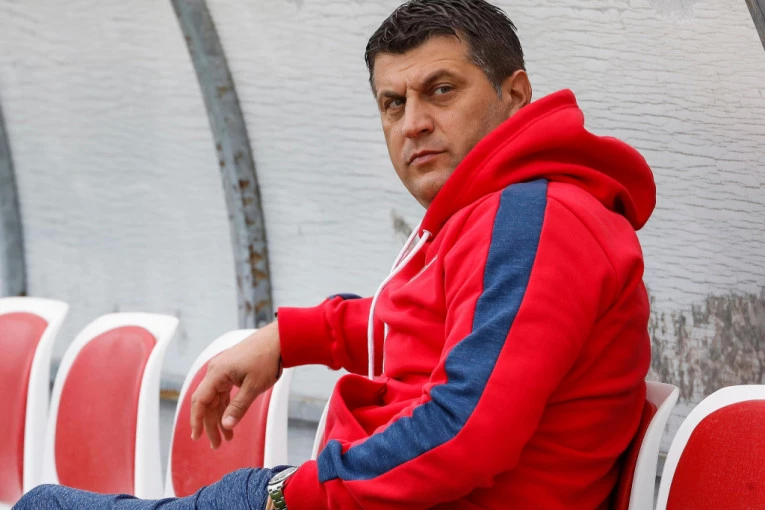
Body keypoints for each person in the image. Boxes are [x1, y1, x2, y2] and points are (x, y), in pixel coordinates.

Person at [14, 0, 656, 508]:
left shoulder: (535, 220)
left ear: (514, 95)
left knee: (44, 505)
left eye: (441, 90)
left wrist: (281, 495)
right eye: (393, 104)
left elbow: (463, 435)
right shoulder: (498, 212)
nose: (413, 123)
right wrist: (287, 339)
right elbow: (422, 322)